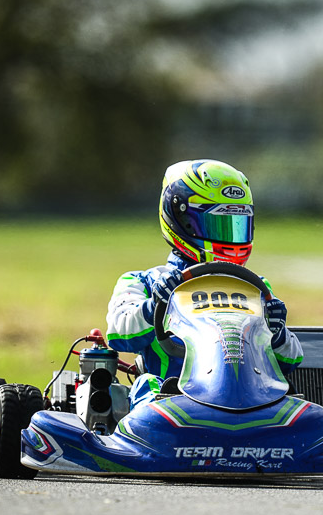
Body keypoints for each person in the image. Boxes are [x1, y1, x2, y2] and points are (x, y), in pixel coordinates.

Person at [105, 159, 303, 408]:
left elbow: (292, 359)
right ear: (182, 220)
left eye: (236, 225)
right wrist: (155, 303)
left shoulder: (256, 288)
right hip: (171, 399)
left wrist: (276, 333)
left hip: (250, 401)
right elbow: (119, 334)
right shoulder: (145, 282)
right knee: (147, 386)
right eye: (219, 225)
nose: (230, 238)